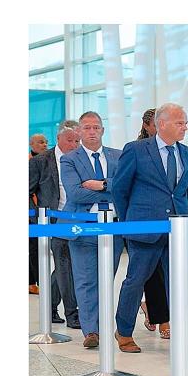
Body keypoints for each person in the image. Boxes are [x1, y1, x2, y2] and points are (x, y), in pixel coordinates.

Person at [112, 103, 188, 360]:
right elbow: (120, 190)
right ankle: (124, 331)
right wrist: (130, 221)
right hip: (144, 228)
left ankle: (183, 339)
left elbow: (184, 192)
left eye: (185, 123)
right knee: (135, 280)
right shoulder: (136, 150)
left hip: (176, 230)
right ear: (162, 124)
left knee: (177, 286)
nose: (185, 127)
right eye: (180, 123)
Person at [59, 111, 125, 348]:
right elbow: (75, 192)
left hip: (114, 226)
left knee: (107, 278)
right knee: (86, 280)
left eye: (96, 127)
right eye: (86, 128)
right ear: (79, 131)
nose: (91, 132)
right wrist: (111, 188)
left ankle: (103, 323)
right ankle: (91, 331)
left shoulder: (118, 156)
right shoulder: (69, 159)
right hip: (83, 226)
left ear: (102, 130)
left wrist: (102, 185)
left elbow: (124, 189)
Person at [29, 127, 81, 328]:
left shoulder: (79, 158)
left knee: (63, 267)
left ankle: (50, 307)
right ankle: (72, 314)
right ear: (58, 139)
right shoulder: (41, 161)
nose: (74, 145)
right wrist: (37, 218)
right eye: (70, 140)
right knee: (65, 263)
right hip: (53, 220)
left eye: (77, 141)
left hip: (78, 218)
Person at [134, 109, 170, 335]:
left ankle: (162, 317)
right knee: (149, 274)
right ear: (148, 126)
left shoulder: (175, 151)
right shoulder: (138, 150)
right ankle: (158, 315)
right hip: (144, 223)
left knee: (166, 274)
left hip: (168, 222)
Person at [29, 133, 48, 295]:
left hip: (42, 213)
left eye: (46, 142)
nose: (44, 145)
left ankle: (36, 282)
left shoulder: (47, 161)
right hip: (32, 213)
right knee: (33, 248)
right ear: (31, 144)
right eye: (41, 142)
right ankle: (35, 282)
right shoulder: (29, 162)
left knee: (37, 247)